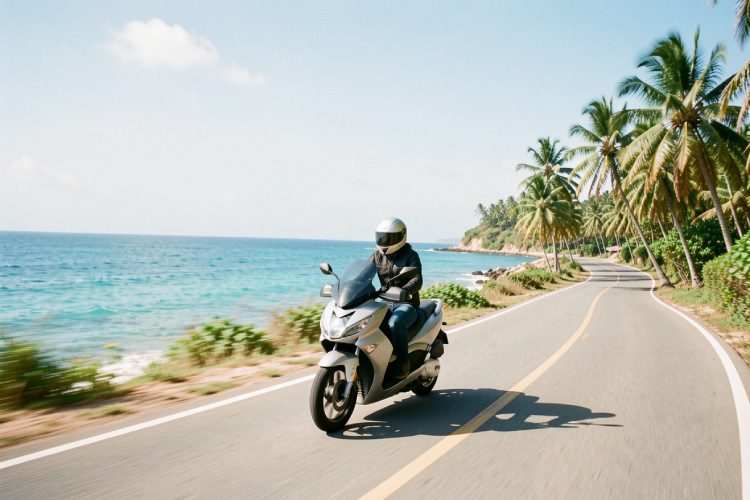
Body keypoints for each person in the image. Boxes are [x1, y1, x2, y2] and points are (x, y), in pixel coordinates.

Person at [369, 217, 423, 380]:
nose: (384, 242)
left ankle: (403, 363)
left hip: (406, 303)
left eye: (389, 238)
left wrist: (405, 291)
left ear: (401, 237)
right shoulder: (376, 256)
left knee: (395, 323)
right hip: (385, 301)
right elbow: (363, 275)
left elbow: (417, 279)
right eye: (381, 237)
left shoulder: (411, 255)